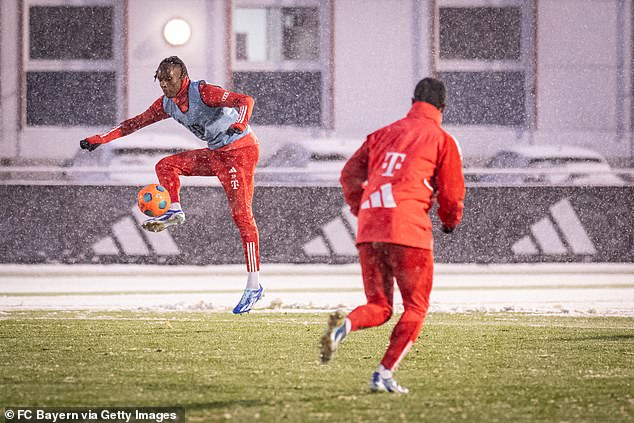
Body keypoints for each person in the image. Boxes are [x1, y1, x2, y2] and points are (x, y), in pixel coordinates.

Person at [79, 56, 263, 314]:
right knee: (165, 165)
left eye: (169, 79)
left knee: (242, 216)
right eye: (161, 80)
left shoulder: (204, 92)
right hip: (217, 154)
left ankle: (254, 285)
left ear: (183, 77)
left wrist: (240, 123)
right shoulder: (167, 104)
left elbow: (246, 100)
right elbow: (134, 123)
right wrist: (100, 138)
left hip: (240, 152)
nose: (165, 85)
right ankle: (174, 209)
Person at [320, 77, 465, 393]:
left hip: (371, 229)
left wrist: (363, 209)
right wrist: (449, 222)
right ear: (442, 107)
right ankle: (384, 373)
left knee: (380, 306)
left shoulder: (382, 134)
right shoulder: (441, 139)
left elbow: (348, 174)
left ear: (412, 100)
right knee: (415, 307)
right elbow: (452, 195)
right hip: (408, 231)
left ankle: (345, 325)